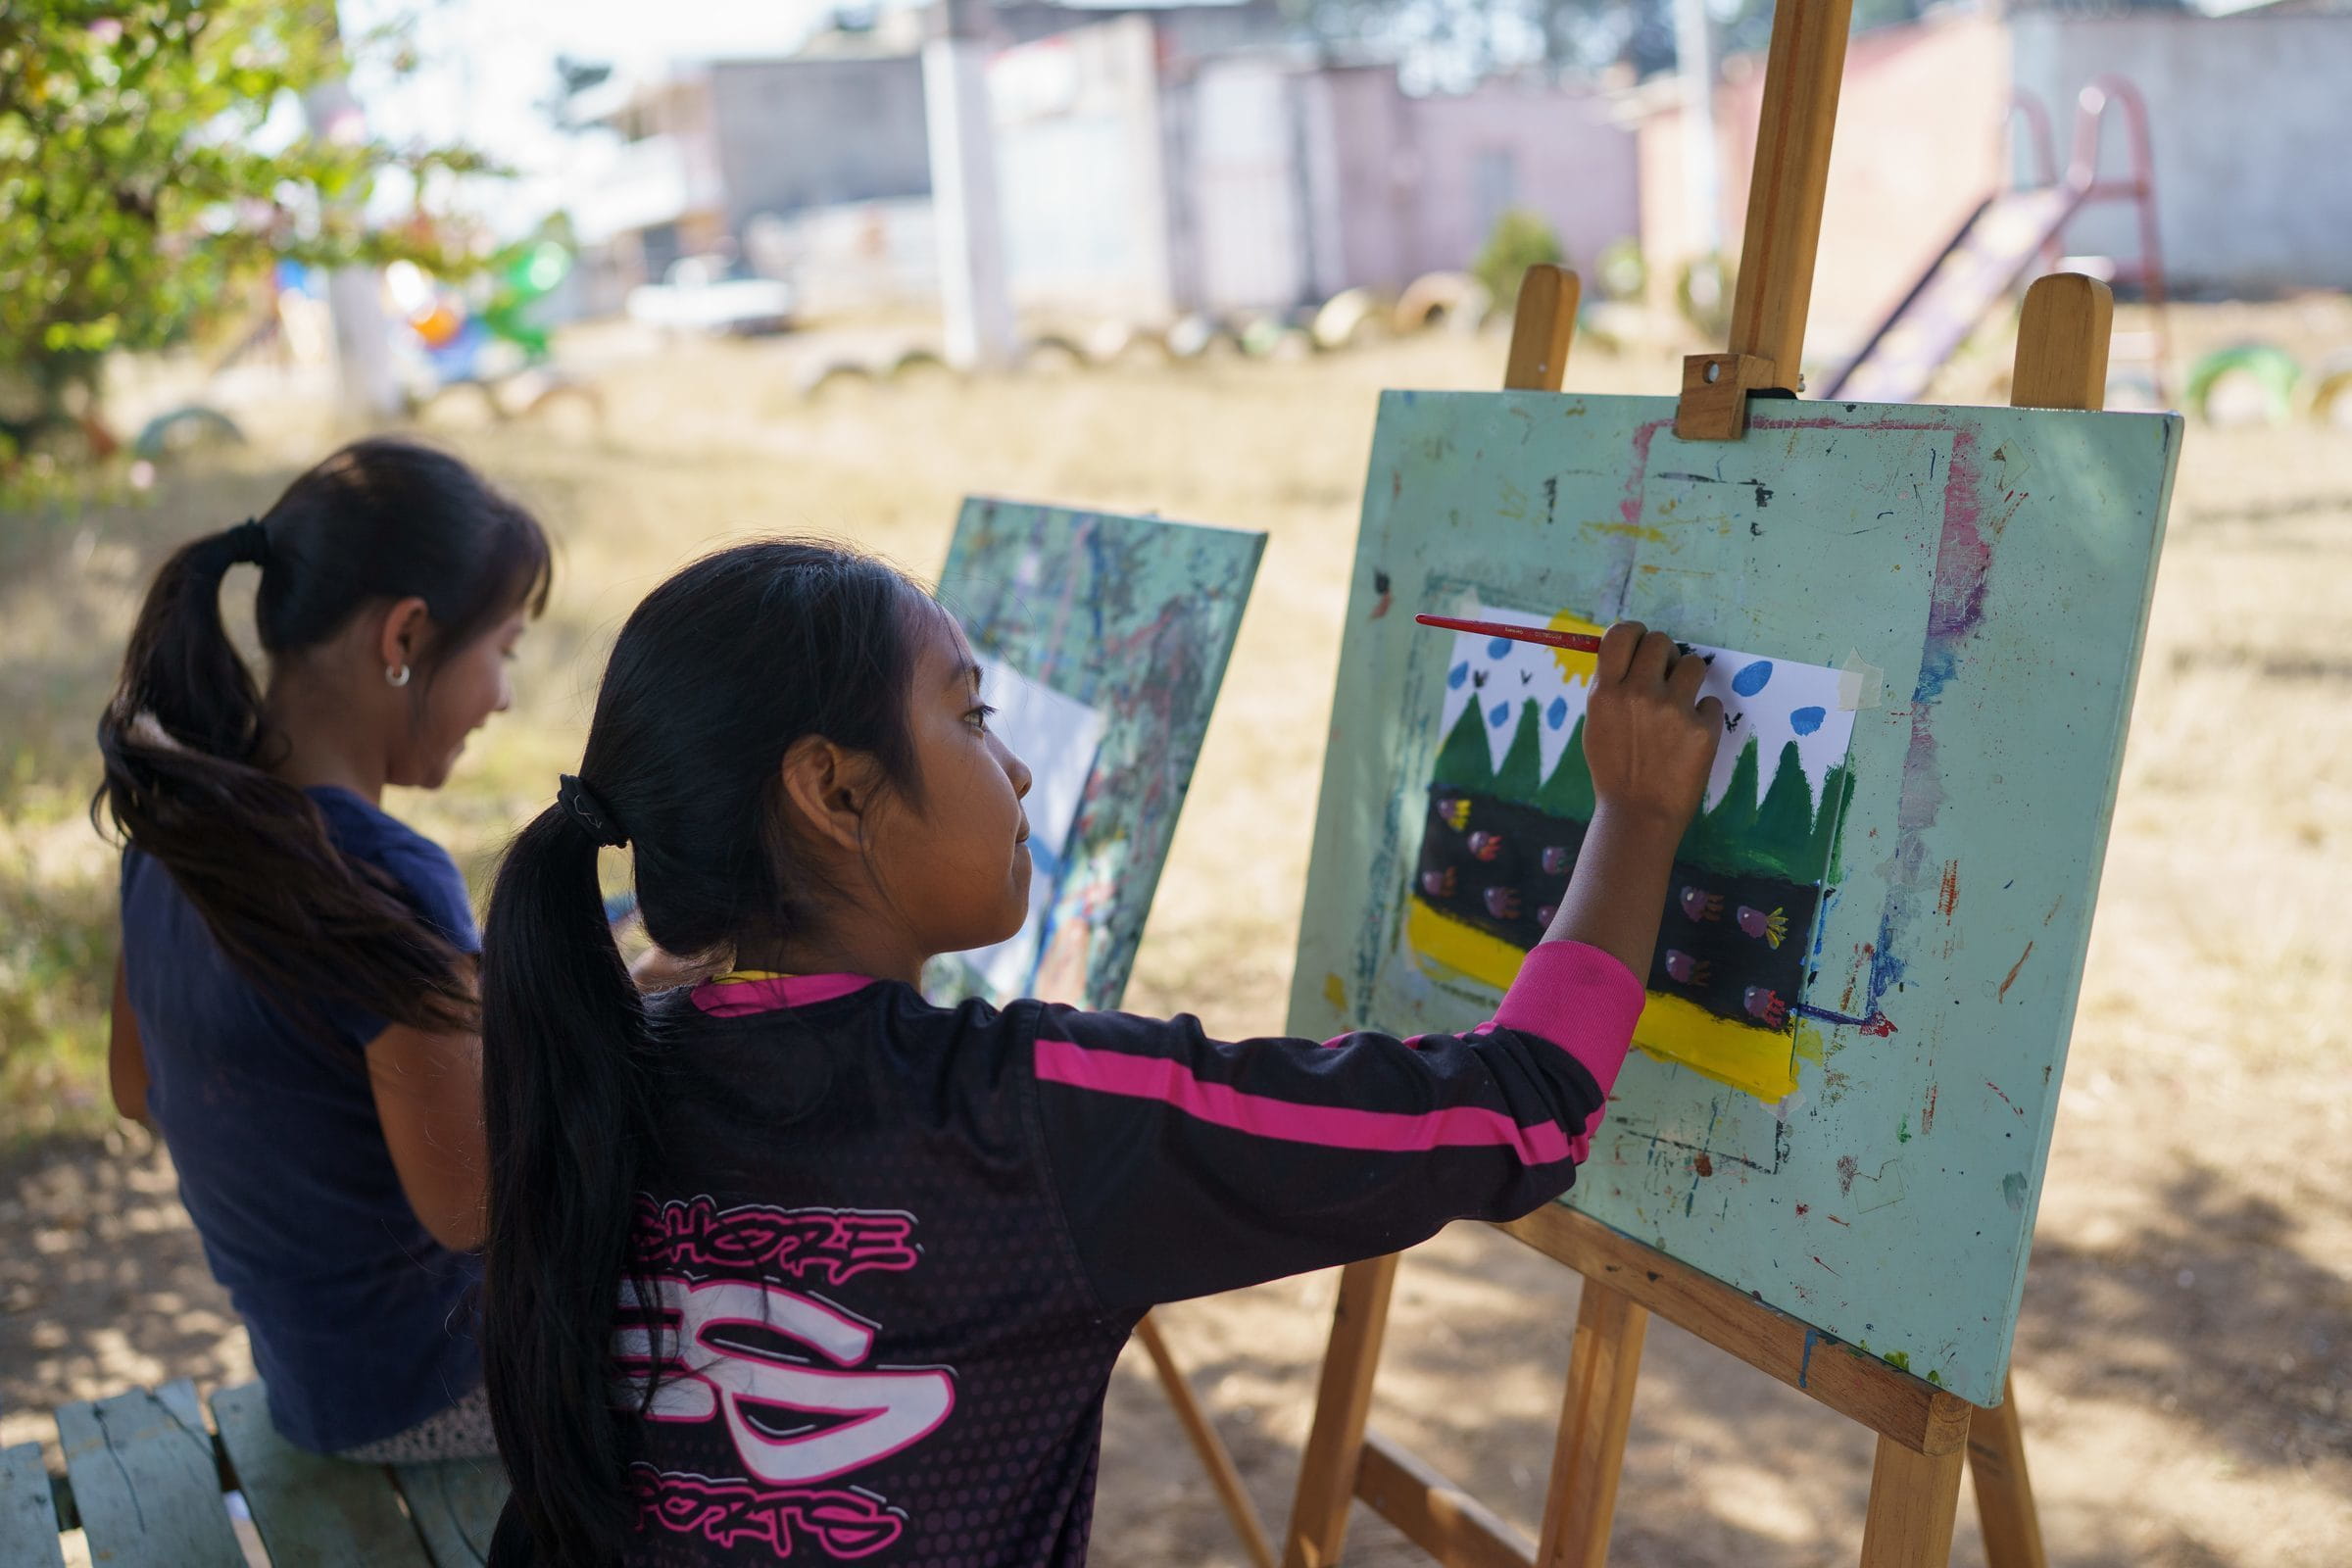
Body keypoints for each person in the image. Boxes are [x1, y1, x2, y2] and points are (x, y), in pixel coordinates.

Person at [478, 540, 1720, 1565]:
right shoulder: (1022, 1121)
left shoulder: (598, 1069)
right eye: (971, 715)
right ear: (836, 791)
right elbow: (1522, 1114)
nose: (1016, 766)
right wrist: (1641, 811)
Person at [98, 438, 551, 1461]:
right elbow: (476, 1202)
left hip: (315, 1383)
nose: (505, 695)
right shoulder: (387, 873)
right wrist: (594, 1033)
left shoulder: (177, 827)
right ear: (404, 634)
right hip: (443, 1389)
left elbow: (137, 1086)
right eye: (506, 648)